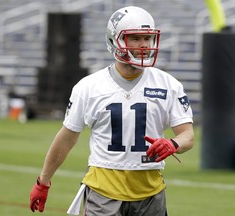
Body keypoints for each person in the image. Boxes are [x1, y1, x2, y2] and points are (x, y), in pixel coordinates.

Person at [29, 6, 194, 216]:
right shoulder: (89, 87)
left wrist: (173, 143)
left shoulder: (168, 84)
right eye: (135, 38)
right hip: (103, 193)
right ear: (114, 40)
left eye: (147, 38)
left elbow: (187, 135)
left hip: (151, 194)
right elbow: (67, 137)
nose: (143, 44)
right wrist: (43, 182)